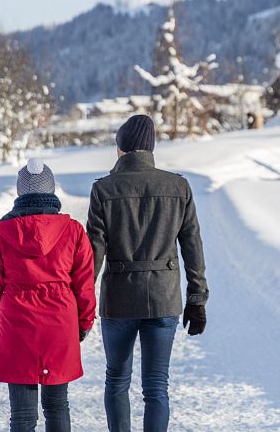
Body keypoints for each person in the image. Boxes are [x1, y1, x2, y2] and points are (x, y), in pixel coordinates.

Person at [87, 114, 209, 432]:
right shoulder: (178, 187)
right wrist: (197, 298)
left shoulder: (103, 190)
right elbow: (192, 247)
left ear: (122, 149)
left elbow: (93, 254)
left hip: (118, 300)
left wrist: (80, 305)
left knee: (116, 380)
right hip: (164, 297)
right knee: (157, 387)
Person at [0, 158, 97, 432]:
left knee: (22, 415)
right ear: (51, 191)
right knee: (57, 406)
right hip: (60, 325)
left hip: (16, 326)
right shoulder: (73, 231)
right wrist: (84, 322)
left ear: (21, 193)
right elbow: (84, 283)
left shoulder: (2, 232)